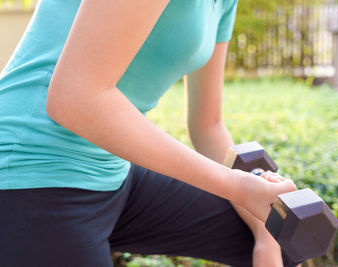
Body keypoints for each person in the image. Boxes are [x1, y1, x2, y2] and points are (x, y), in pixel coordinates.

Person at [0, 0, 297, 266]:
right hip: (34, 168)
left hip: (112, 171)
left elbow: (208, 126)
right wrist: (239, 187)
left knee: (285, 245)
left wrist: (264, 233)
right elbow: (75, 98)